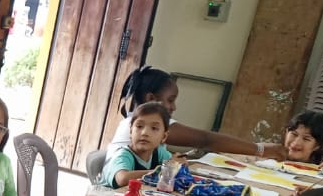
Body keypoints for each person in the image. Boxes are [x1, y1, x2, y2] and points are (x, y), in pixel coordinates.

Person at [108, 66, 285, 159]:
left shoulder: (142, 122)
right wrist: (260, 149)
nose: (174, 107)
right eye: (170, 100)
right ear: (151, 98)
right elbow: (205, 139)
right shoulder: (146, 125)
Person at [102, 101, 173, 187]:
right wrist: (157, 172)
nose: (144, 133)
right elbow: (122, 178)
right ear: (131, 131)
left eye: (154, 128)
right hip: (107, 195)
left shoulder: (158, 153)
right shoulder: (123, 155)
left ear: (164, 136)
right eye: (139, 126)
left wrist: (179, 164)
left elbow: (173, 165)